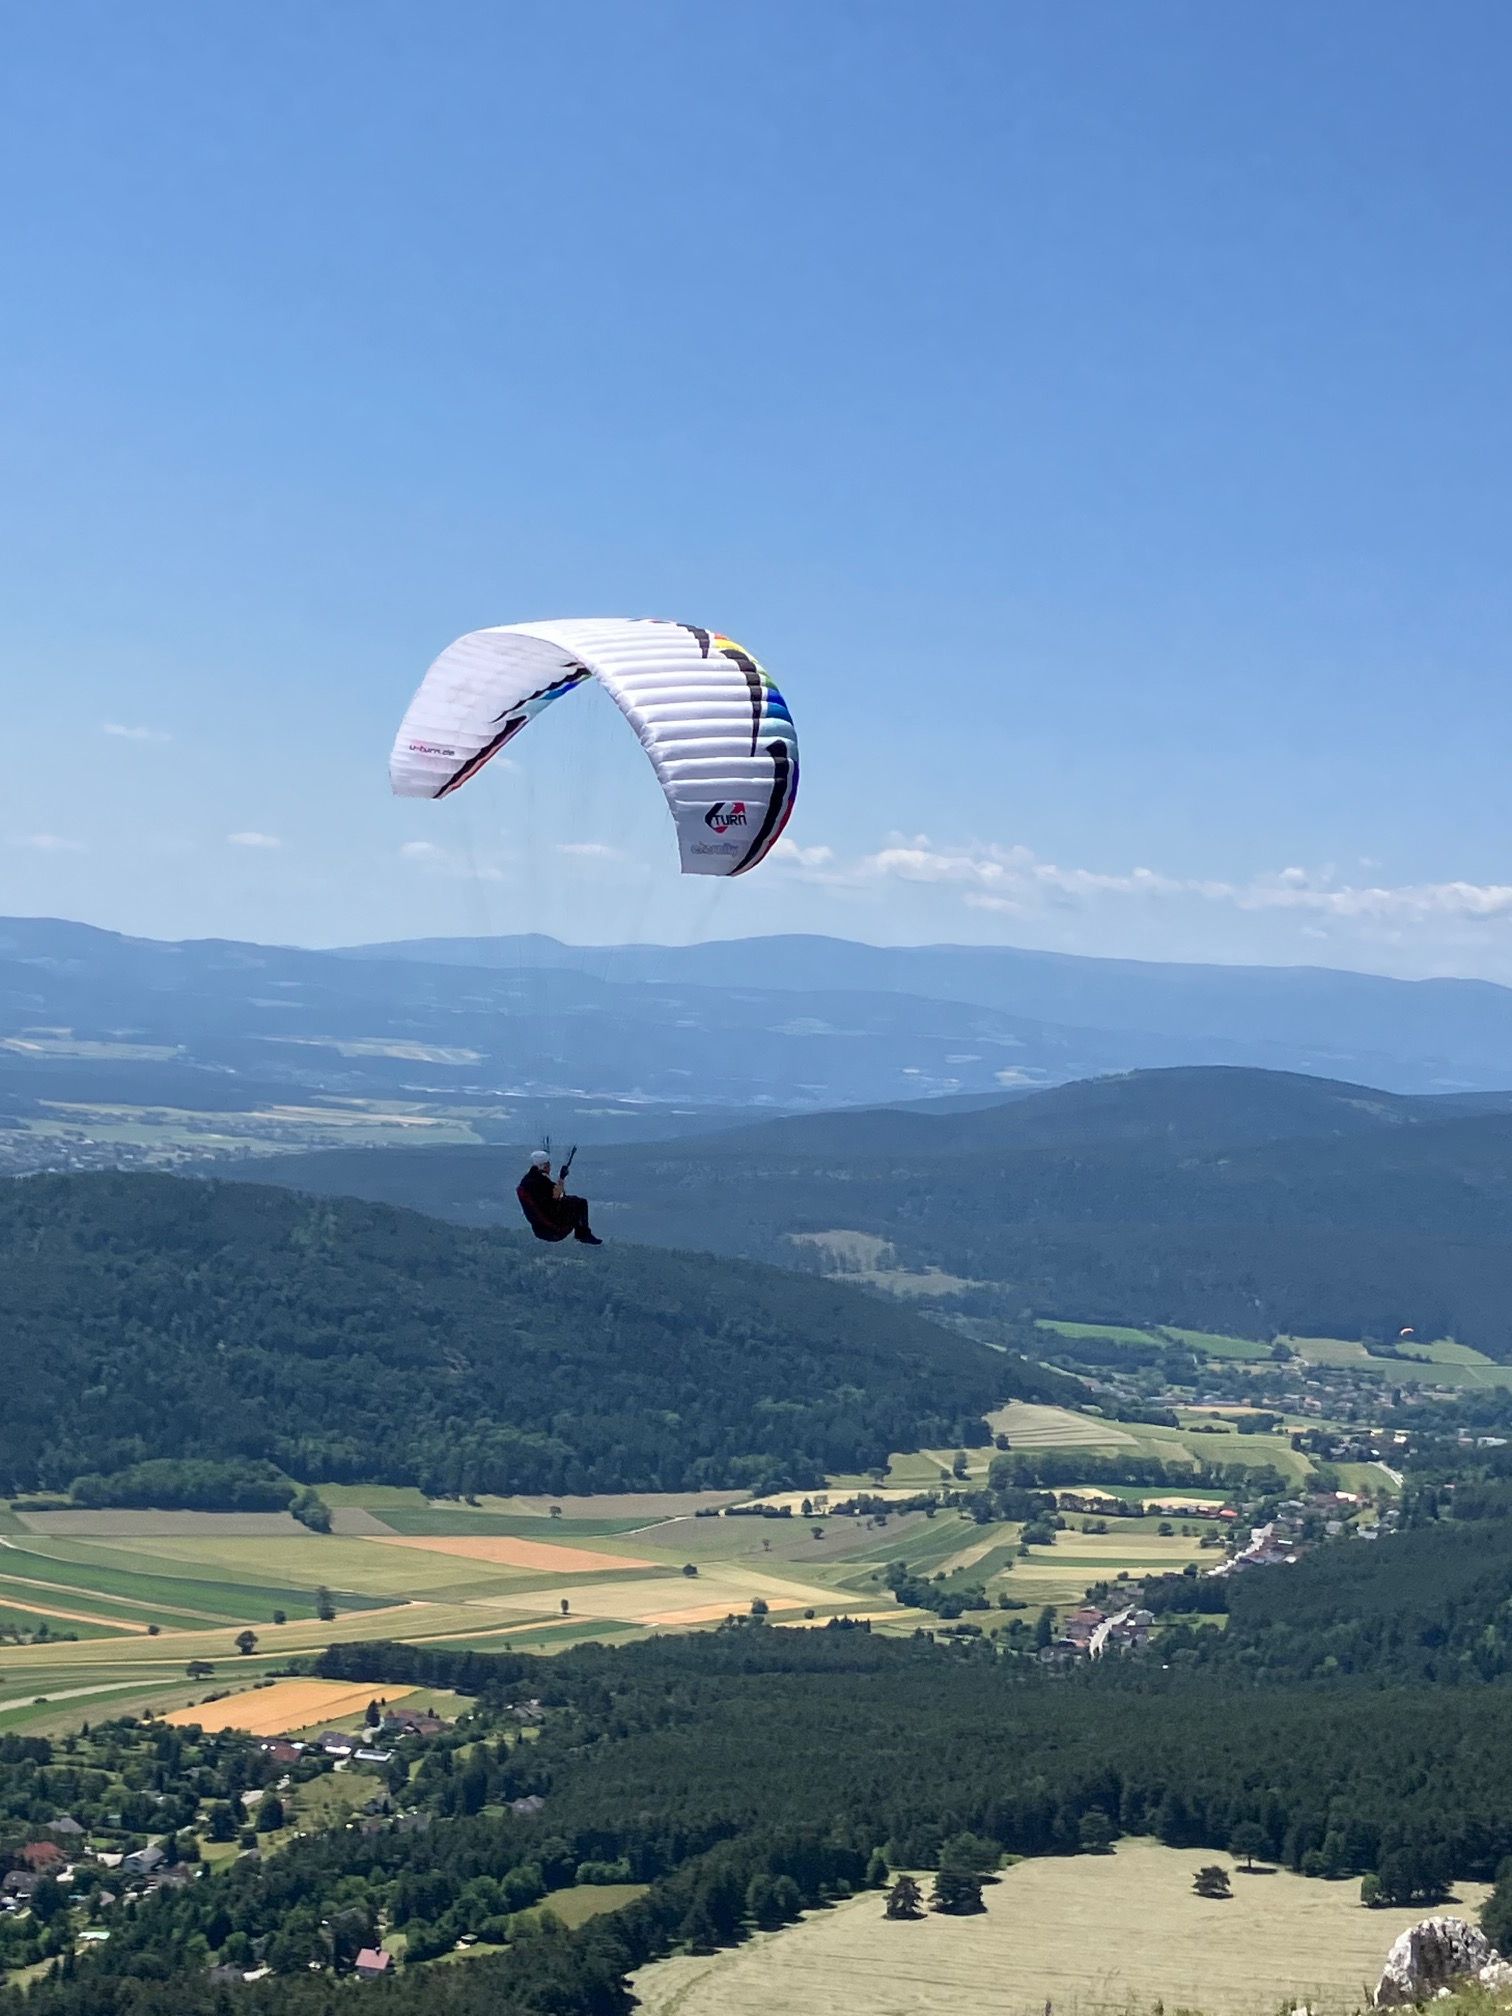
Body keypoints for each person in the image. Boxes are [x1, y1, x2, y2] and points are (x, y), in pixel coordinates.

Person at [516, 1149, 602, 1245]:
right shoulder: (542, 1182)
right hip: (553, 1228)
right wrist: (562, 1178)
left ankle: (582, 1234)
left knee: (572, 1202)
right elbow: (559, 1196)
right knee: (581, 1203)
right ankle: (583, 1234)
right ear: (545, 1166)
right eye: (548, 1165)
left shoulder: (527, 1182)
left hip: (539, 1230)